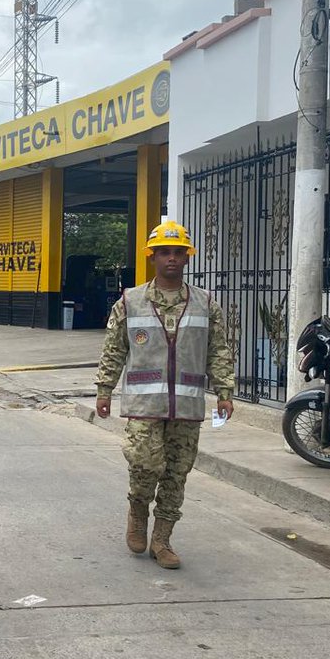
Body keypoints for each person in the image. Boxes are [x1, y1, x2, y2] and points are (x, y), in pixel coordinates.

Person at [94, 220, 235, 569]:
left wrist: (224, 391)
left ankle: (162, 540)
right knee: (144, 464)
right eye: (164, 253)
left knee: (176, 473)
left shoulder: (205, 303)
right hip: (143, 404)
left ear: (187, 258)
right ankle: (138, 513)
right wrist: (104, 389)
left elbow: (218, 349)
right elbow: (114, 349)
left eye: (178, 253)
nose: (171, 259)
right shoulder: (130, 301)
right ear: (152, 257)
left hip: (186, 405)